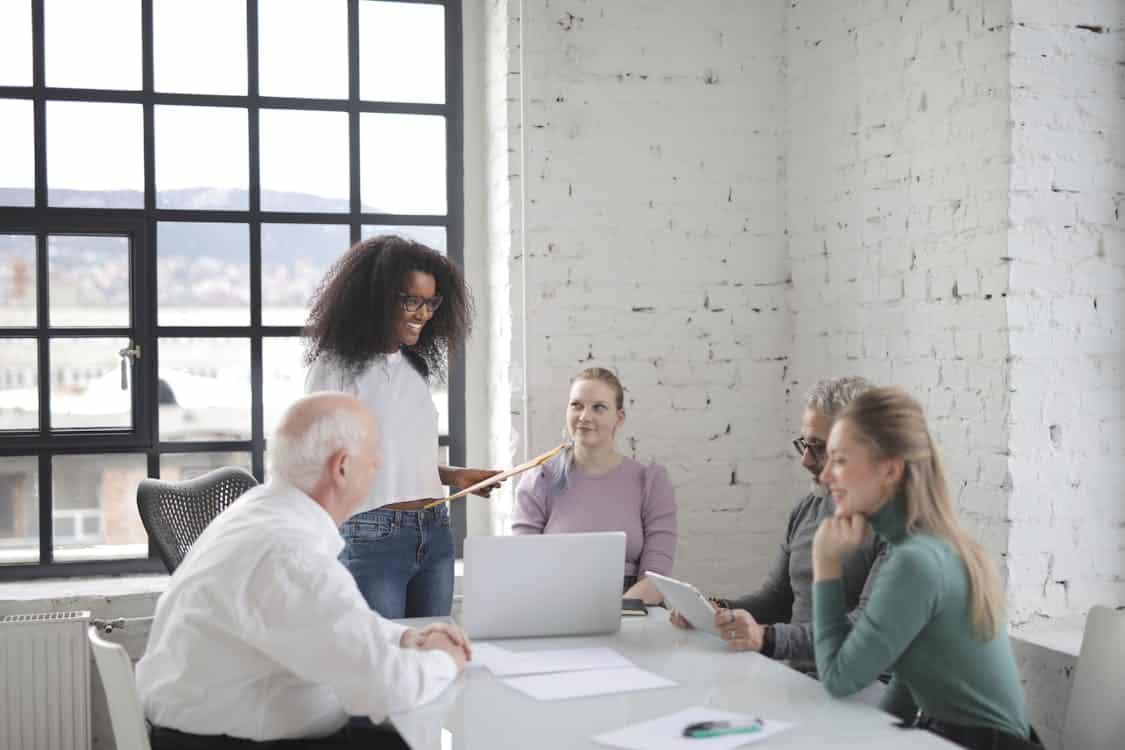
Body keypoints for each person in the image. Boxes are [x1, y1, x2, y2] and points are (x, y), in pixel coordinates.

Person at [137, 393, 471, 749]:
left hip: (205, 729)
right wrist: (444, 659)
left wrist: (403, 638)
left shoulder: (259, 512)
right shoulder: (291, 555)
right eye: (375, 452)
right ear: (342, 467)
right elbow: (389, 689)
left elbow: (334, 623)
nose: (380, 463)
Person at [812, 387, 1036, 749]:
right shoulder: (931, 545)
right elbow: (911, 680)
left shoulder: (916, 561)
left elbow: (838, 678)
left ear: (889, 470)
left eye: (839, 460)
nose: (824, 476)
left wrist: (825, 563)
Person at [304, 235, 500, 618]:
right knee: (383, 663)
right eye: (411, 300)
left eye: (430, 302)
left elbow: (399, 455)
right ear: (375, 298)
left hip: (435, 532)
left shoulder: (414, 369)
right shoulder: (336, 367)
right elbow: (318, 462)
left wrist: (458, 476)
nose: (423, 314)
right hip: (371, 534)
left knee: (431, 659)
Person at [671, 376, 885, 665]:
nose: (806, 461)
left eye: (819, 448)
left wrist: (767, 638)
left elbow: (867, 629)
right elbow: (779, 599)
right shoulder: (809, 508)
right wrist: (717, 612)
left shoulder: (898, 527)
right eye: (805, 445)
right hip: (798, 676)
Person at [512, 367, 676, 603]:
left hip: (634, 610)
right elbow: (522, 567)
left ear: (619, 418)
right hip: (554, 605)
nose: (584, 416)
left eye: (598, 407)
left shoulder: (651, 482)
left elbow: (657, 580)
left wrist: (613, 616)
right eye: (576, 405)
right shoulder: (540, 479)